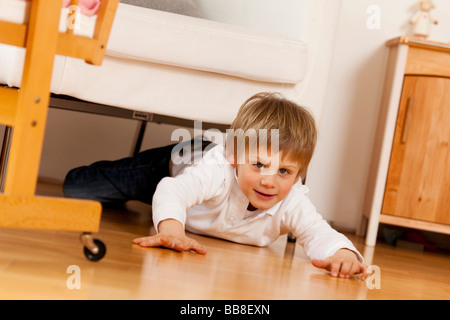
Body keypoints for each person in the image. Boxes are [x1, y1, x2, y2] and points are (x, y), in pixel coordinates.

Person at [64, 92, 368, 280]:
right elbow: (172, 190)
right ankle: (145, 200)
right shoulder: (218, 170)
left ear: (299, 172)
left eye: (284, 171)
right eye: (259, 165)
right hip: (173, 166)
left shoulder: (292, 199)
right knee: (78, 188)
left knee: (158, 202)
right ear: (234, 155)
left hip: (189, 184)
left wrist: (344, 255)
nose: (269, 180)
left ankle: (157, 210)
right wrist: (171, 231)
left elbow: (317, 231)